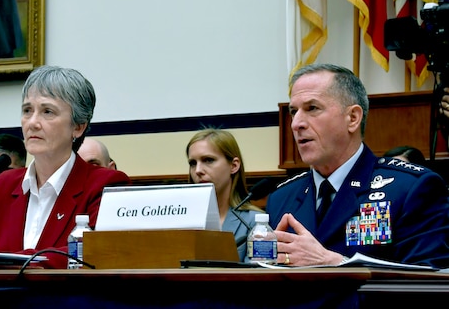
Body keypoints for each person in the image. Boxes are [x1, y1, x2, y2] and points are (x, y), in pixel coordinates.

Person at [268, 63, 449, 268]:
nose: (296, 124)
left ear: (353, 118)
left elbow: (430, 285)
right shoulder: (281, 198)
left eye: (312, 108)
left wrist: (337, 264)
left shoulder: (409, 189)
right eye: (294, 111)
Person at [0, 65, 131, 268]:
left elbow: (97, 252)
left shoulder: (103, 185)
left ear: (78, 126)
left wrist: (10, 262)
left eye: (47, 111)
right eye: (27, 110)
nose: (33, 123)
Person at [186, 129, 262, 261]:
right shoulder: (183, 218)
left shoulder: (254, 222)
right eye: (193, 163)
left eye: (208, 160)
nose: (198, 170)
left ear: (233, 166)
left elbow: (257, 277)